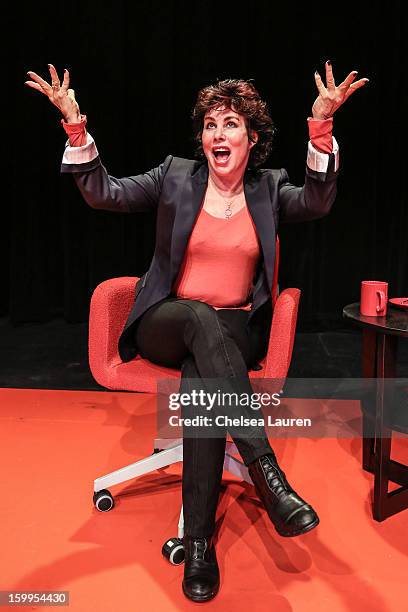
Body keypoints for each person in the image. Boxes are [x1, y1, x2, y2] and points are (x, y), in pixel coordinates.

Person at [25, 62, 368, 603]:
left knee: (204, 388)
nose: (217, 134)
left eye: (230, 124)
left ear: (252, 139)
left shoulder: (270, 188)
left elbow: (318, 201)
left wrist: (321, 130)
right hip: (169, 316)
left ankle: (199, 544)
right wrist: (75, 128)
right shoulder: (175, 176)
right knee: (198, 319)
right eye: (210, 125)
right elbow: (105, 194)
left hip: (234, 327)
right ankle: (267, 473)